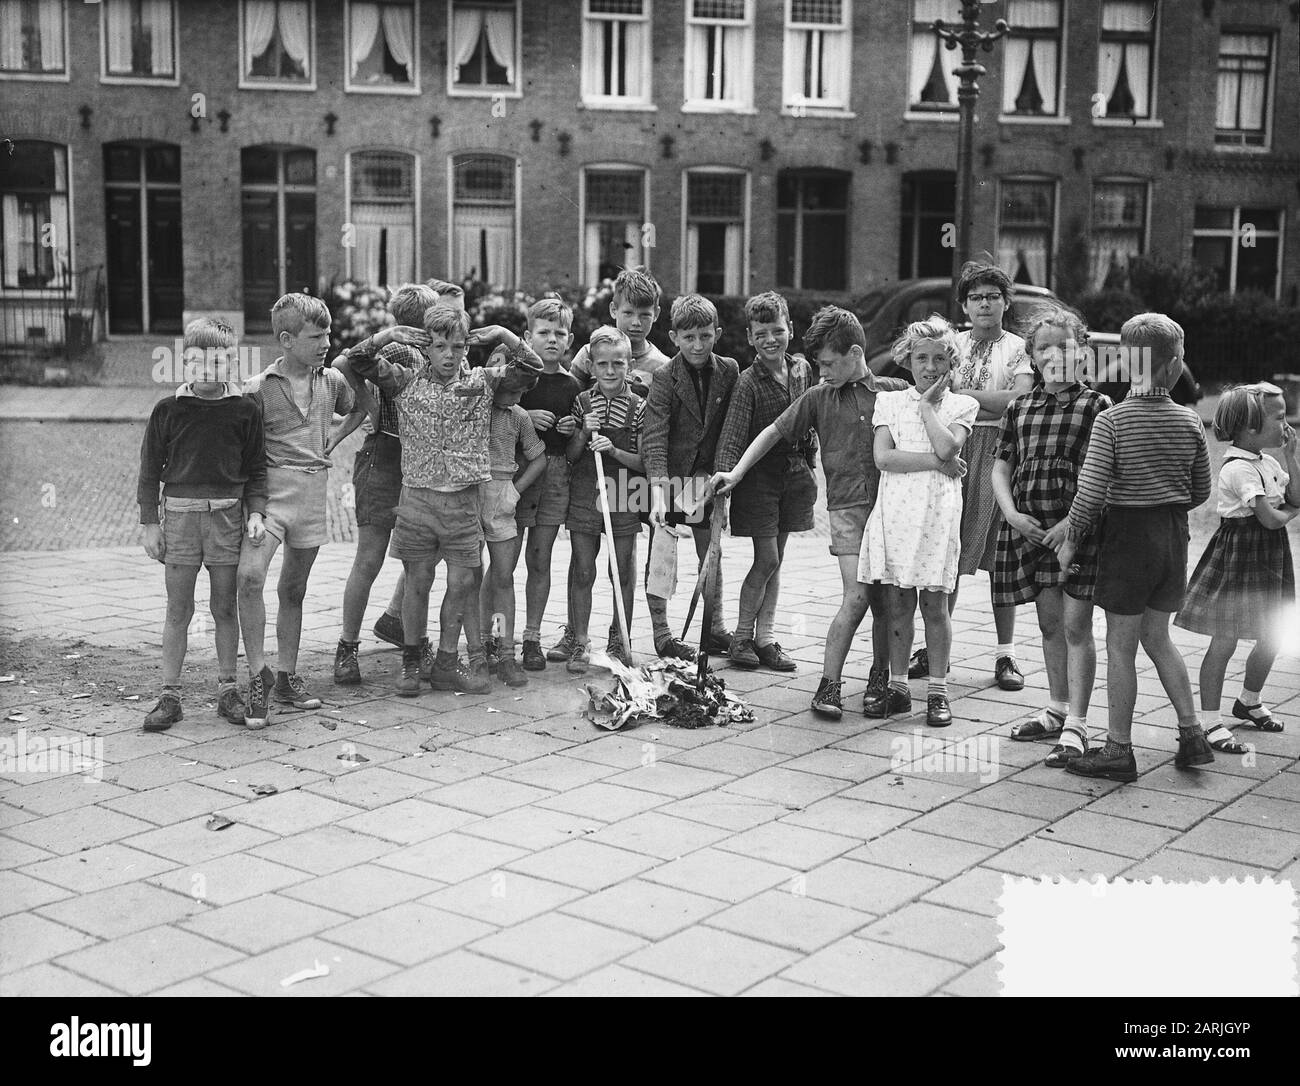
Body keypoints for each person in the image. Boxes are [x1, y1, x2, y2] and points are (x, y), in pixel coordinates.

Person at [713, 306, 915, 718]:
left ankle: (880, 678)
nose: (821, 372)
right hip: (846, 512)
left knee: (887, 602)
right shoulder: (819, 397)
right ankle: (829, 683)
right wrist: (735, 472)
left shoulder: (895, 391)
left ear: (855, 352)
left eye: (828, 363)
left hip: (891, 511)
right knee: (856, 595)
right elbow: (773, 431)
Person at [337, 306, 539, 696]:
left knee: (462, 582)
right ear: (426, 347)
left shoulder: (484, 381)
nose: (449, 354)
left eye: (458, 346)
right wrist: (391, 334)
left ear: (467, 347)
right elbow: (356, 359)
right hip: (418, 500)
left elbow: (530, 369)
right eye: (441, 346)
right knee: (418, 580)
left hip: (464, 502)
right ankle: (412, 663)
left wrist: (501, 332)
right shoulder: (403, 381)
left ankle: (447, 661)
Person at [1057, 313, 1213, 783]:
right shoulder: (1188, 420)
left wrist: (1071, 542)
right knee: (1158, 637)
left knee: (1120, 647)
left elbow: (1088, 493)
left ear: (1125, 362)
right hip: (1171, 537)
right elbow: (1200, 490)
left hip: (1127, 539)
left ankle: (1118, 749)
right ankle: (1192, 732)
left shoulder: (1113, 421)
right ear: (1172, 369)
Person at [992, 308, 1112, 766]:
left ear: (1082, 352)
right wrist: (1011, 514)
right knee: (1048, 625)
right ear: (1032, 357)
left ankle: (1078, 725)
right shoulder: (1020, 407)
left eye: (1065, 345)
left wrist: (1072, 528)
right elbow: (1002, 466)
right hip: (1031, 529)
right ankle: (1056, 709)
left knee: (1077, 626)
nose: (1055, 354)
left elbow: (1102, 476)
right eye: (1045, 347)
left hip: (1076, 533)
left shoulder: (1096, 406)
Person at [137, 318, 267, 731]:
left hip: (227, 518)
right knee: (178, 608)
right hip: (179, 518)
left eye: (220, 359)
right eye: (199, 359)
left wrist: (257, 512)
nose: (210, 368)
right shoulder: (168, 410)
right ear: (185, 362)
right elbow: (148, 472)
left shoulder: (245, 410)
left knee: (224, 606)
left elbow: (257, 470)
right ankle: (169, 694)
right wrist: (149, 524)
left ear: (232, 361)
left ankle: (228, 688)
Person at [910, 262, 1033, 691]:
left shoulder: (1018, 348)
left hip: (1002, 452)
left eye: (993, 296)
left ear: (1005, 302)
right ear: (964, 304)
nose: (985, 304)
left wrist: (963, 397)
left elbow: (1016, 401)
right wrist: (982, 402)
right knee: (950, 549)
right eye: (976, 297)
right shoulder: (953, 344)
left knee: (1002, 554)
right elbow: (934, 394)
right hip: (957, 450)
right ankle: (933, 649)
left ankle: (1006, 654)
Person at [238, 294, 356, 728]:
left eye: (328, 334)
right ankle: (256, 676)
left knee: (294, 590)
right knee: (249, 577)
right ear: (286, 340)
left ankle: (285, 676)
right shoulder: (258, 388)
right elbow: (242, 446)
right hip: (270, 497)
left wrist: (334, 441)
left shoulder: (331, 382)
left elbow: (362, 406)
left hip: (312, 494)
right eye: (316, 336)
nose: (326, 343)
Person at [859, 317, 979, 727]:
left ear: (952, 363)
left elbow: (949, 446)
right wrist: (933, 462)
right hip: (896, 513)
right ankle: (897, 687)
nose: (930, 367)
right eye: (921, 358)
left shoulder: (962, 405)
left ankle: (938, 692)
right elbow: (884, 458)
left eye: (939, 360)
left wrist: (928, 406)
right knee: (898, 605)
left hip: (937, 515)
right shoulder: (889, 402)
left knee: (935, 603)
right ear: (907, 359)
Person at [1175, 383, 1298, 751]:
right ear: (1250, 428)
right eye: (1279, 418)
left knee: (1273, 633)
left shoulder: (1269, 462)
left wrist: (1292, 455)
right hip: (1240, 557)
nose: (1287, 423)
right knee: (1225, 639)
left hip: (1270, 557)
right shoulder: (1237, 469)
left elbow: (1293, 497)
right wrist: (1292, 511)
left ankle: (1249, 700)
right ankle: (1210, 721)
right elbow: (1271, 519)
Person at [331, 283, 439, 685]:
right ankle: (356, 645)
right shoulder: (401, 351)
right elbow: (344, 364)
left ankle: (366, 645)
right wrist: (370, 404)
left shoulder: (430, 354)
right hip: (389, 457)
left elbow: (346, 363)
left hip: (412, 461)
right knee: (378, 559)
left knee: (399, 561)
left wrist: (368, 403)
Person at [714, 291, 817, 672]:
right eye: (761, 333)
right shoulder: (748, 382)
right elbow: (733, 435)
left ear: (790, 329)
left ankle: (766, 638)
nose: (770, 340)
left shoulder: (802, 370)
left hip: (794, 476)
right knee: (767, 558)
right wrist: (725, 480)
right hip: (757, 480)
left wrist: (811, 462)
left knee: (778, 560)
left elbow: (811, 419)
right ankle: (742, 636)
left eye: (777, 330)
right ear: (749, 336)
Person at [642, 294, 738, 661]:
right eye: (688, 338)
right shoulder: (665, 377)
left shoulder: (729, 370)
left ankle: (714, 628)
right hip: (670, 477)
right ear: (673, 337)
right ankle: (663, 635)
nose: (697, 345)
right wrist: (659, 494)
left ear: (717, 333)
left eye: (705, 336)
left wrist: (721, 486)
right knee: (662, 553)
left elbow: (731, 429)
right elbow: (655, 435)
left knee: (711, 552)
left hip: (709, 477)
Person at [551, 327, 645, 673]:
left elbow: (644, 462)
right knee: (583, 568)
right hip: (585, 489)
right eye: (602, 364)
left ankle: (620, 638)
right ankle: (579, 640)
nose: (609, 371)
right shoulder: (582, 401)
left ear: (629, 364)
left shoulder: (638, 405)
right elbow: (573, 455)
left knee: (620, 570)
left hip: (623, 490)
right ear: (591, 365)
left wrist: (614, 449)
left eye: (617, 364)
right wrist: (582, 432)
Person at [515, 295, 581, 671]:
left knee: (540, 559)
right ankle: (496, 636)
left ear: (570, 340)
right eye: (544, 332)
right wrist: (525, 413)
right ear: (527, 336)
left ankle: (532, 637)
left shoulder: (572, 386)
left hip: (556, 475)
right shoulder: (520, 379)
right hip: (520, 471)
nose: (552, 339)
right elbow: (498, 416)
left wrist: (574, 431)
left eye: (559, 333)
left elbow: (573, 452)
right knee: (504, 559)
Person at [479, 358, 547, 686]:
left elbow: (538, 457)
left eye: (523, 391)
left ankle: (506, 652)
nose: (519, 397)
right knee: (468, 577)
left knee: (503, 577)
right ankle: (479, 649)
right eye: (513, 389)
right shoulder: (474, 406)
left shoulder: (518, 416)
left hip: (502, 493)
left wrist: (515, 491)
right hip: (469, 490)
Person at [568, 268, 671, 399]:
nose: (636, 322)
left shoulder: (662, 366)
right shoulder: (589, 353)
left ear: (656, 314)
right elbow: (567, 398)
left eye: (645, 315)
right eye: (628, 313)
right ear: (613, 310)